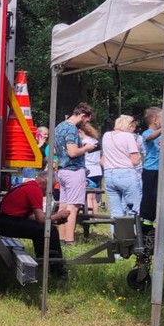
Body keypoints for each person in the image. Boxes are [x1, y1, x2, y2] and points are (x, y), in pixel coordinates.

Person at [0, 168, 68, 275]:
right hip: (7, 223)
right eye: (51, 187)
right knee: (51, 230)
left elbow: (32, 217)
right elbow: (41, 219)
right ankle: (57, 269)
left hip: (3, 221)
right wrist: (59, 215)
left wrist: (54, 219)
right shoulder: (34, 190)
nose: (51, 191)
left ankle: (43, 260)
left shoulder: (29, 186)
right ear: (44, 182)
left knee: (41, 229)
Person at [52, 102, 94, 244]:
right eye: (86, 120)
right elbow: (72, 152)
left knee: (63, 206)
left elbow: (56, 150)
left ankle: (61, 238)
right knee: (73, 207)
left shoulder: (59, 127)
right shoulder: (71, 129)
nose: (86, 123)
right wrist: (86, 148)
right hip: (74, 170)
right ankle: (70, 239)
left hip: (62, 171)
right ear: (82, 115)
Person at [139, 107, 164, 226]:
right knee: (151, 197)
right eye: (163, 119)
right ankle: (146, 224)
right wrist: (163, 129)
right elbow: (150, 138)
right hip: (152, 171)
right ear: (155, 120)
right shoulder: (147, 133)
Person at [101, 114, 143, 218]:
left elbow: (102, 161)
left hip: (109, 174)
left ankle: (115, 229)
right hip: (126, 173)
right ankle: (133, 228)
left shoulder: (106, 135)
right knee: (133, 210)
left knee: (116, 211)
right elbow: (135, 161)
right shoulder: (128, 136)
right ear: (130, 126)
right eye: (133, 128)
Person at [82, 121, 104, 216]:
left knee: (88, 197)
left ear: (80, 131)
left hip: (88, 171)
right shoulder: (95, 141)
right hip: (97, 171)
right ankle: (95, 216)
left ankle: (90, 216)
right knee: (93, 197)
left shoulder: (84, 143)